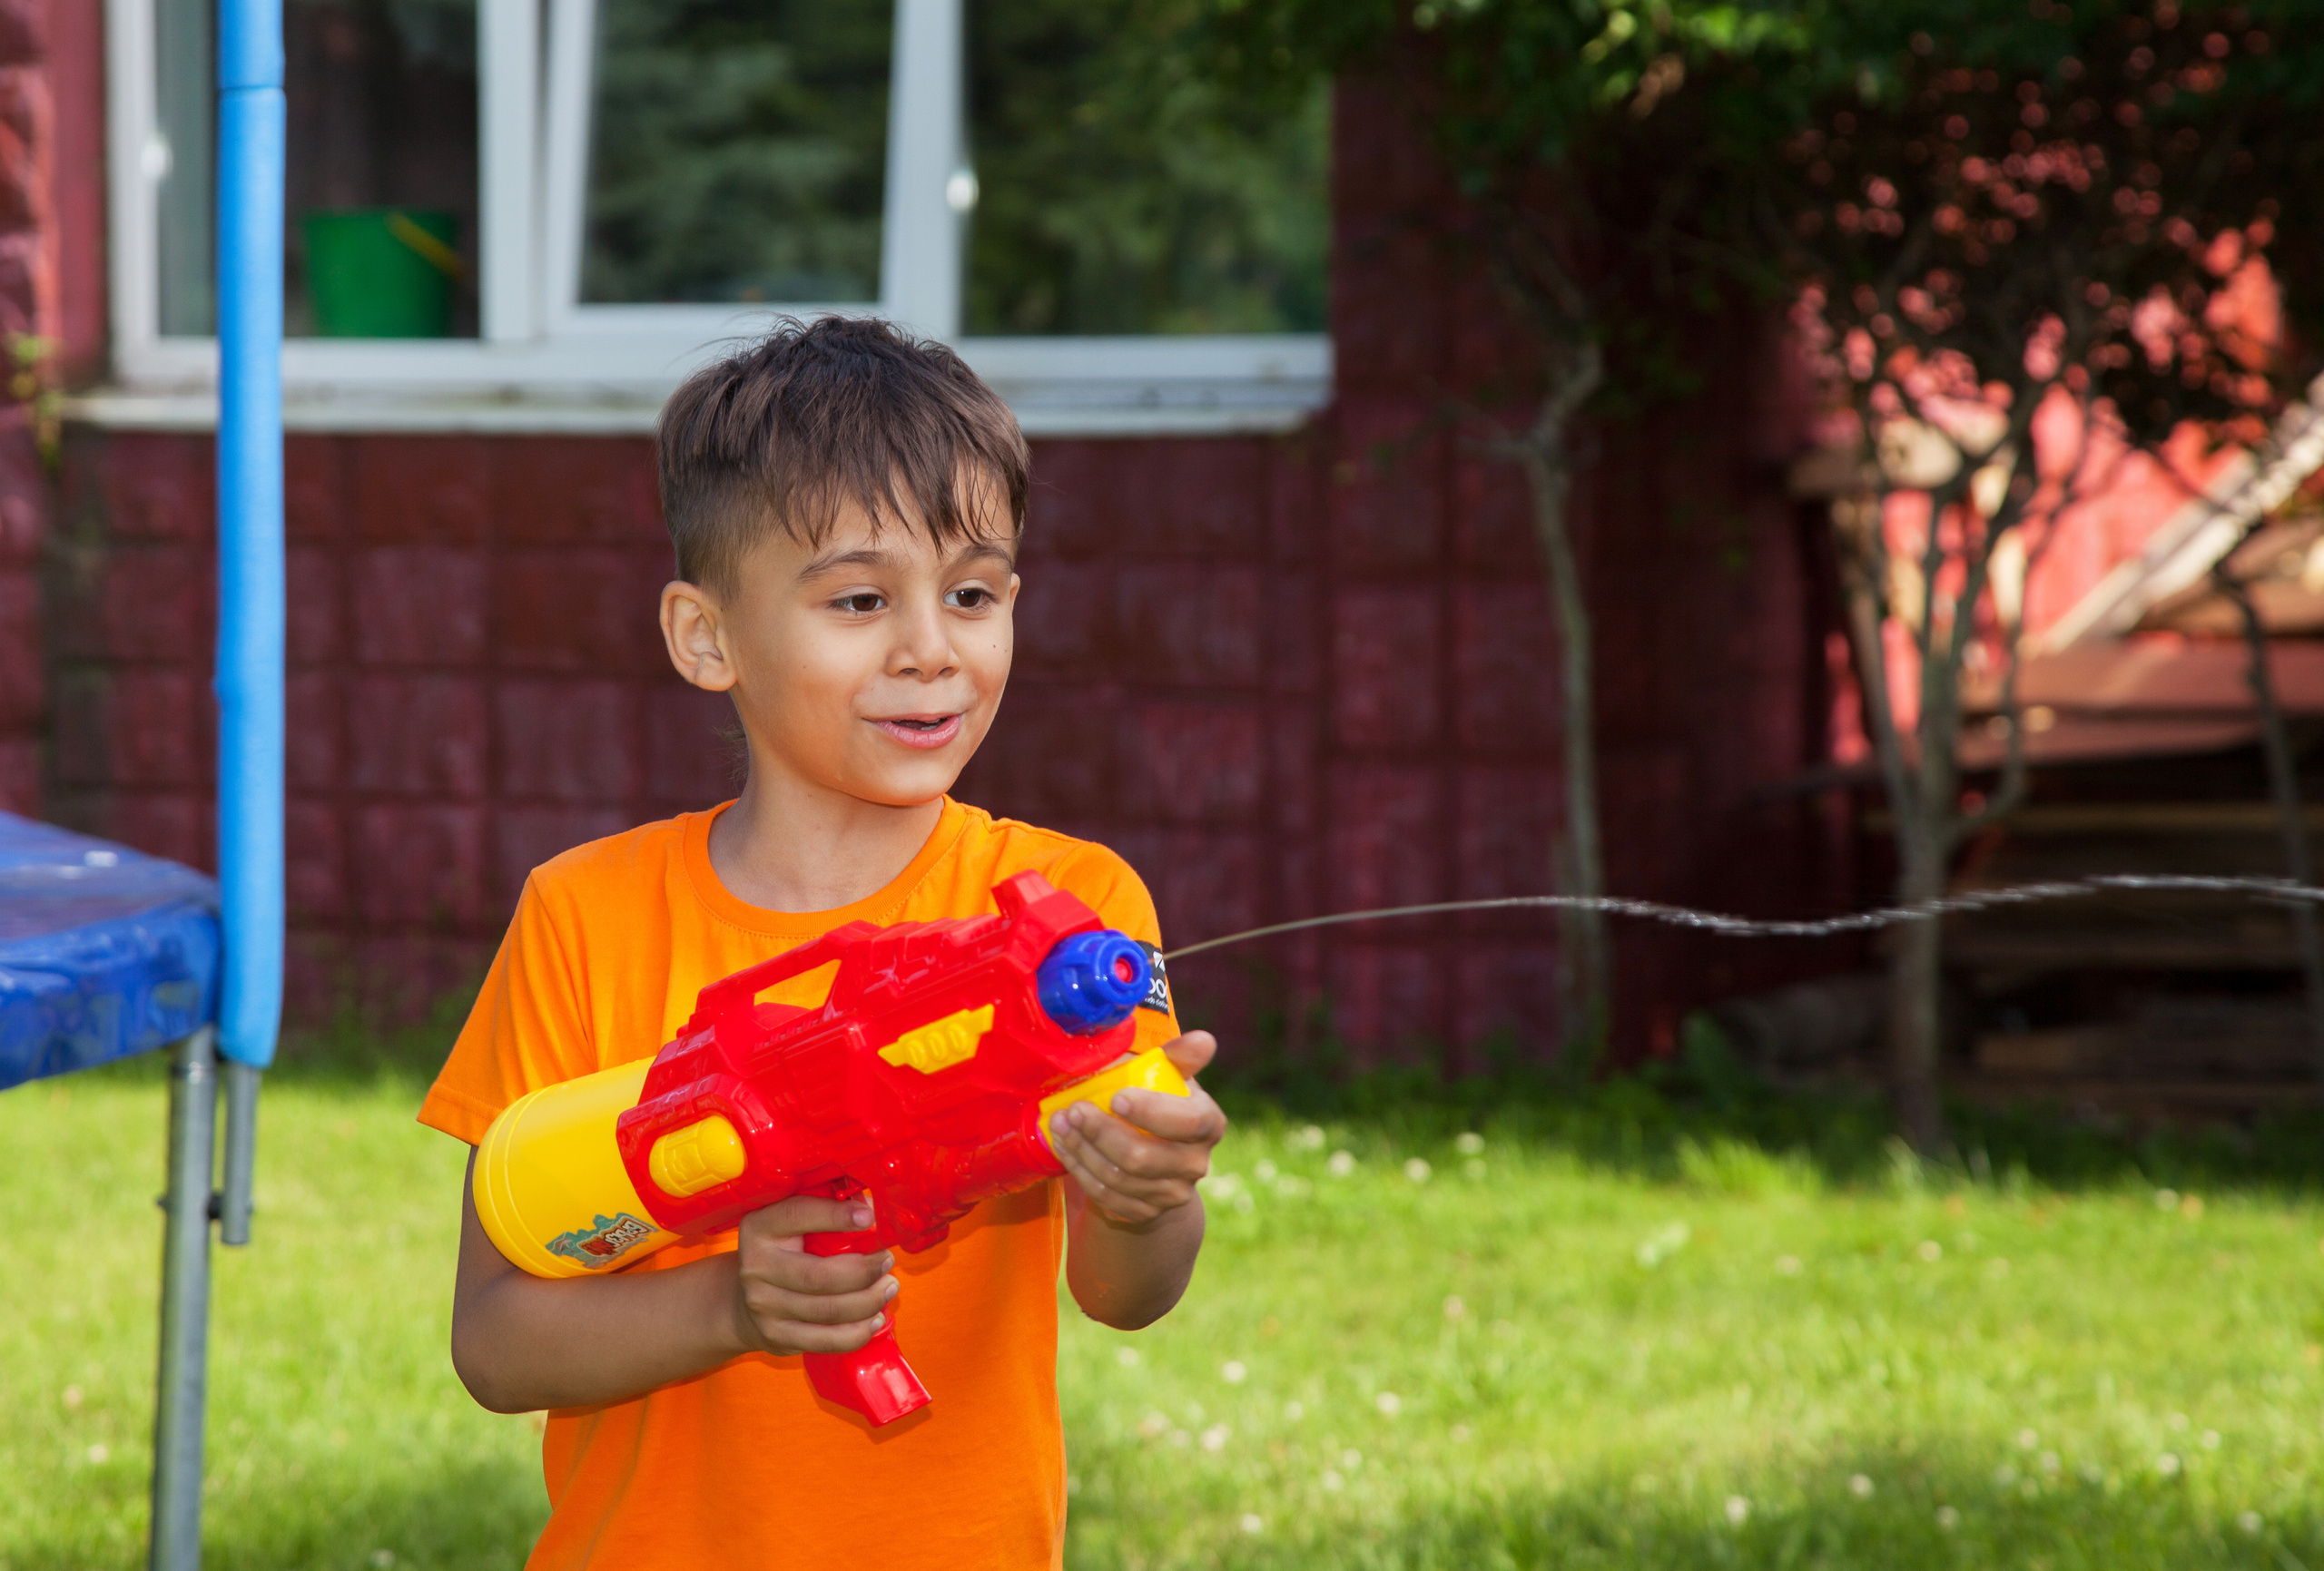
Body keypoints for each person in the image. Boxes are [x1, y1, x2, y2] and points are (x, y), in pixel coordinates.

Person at [418, 316, 1227, 1570]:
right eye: (860, 598)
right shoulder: (584, 914)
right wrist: (733, 1304)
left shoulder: (1068, 903)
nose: (930, 648)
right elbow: (496, 1342)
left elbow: (1128, 1294)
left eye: (972, 593)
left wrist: (1145, 1194)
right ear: (707, 638)